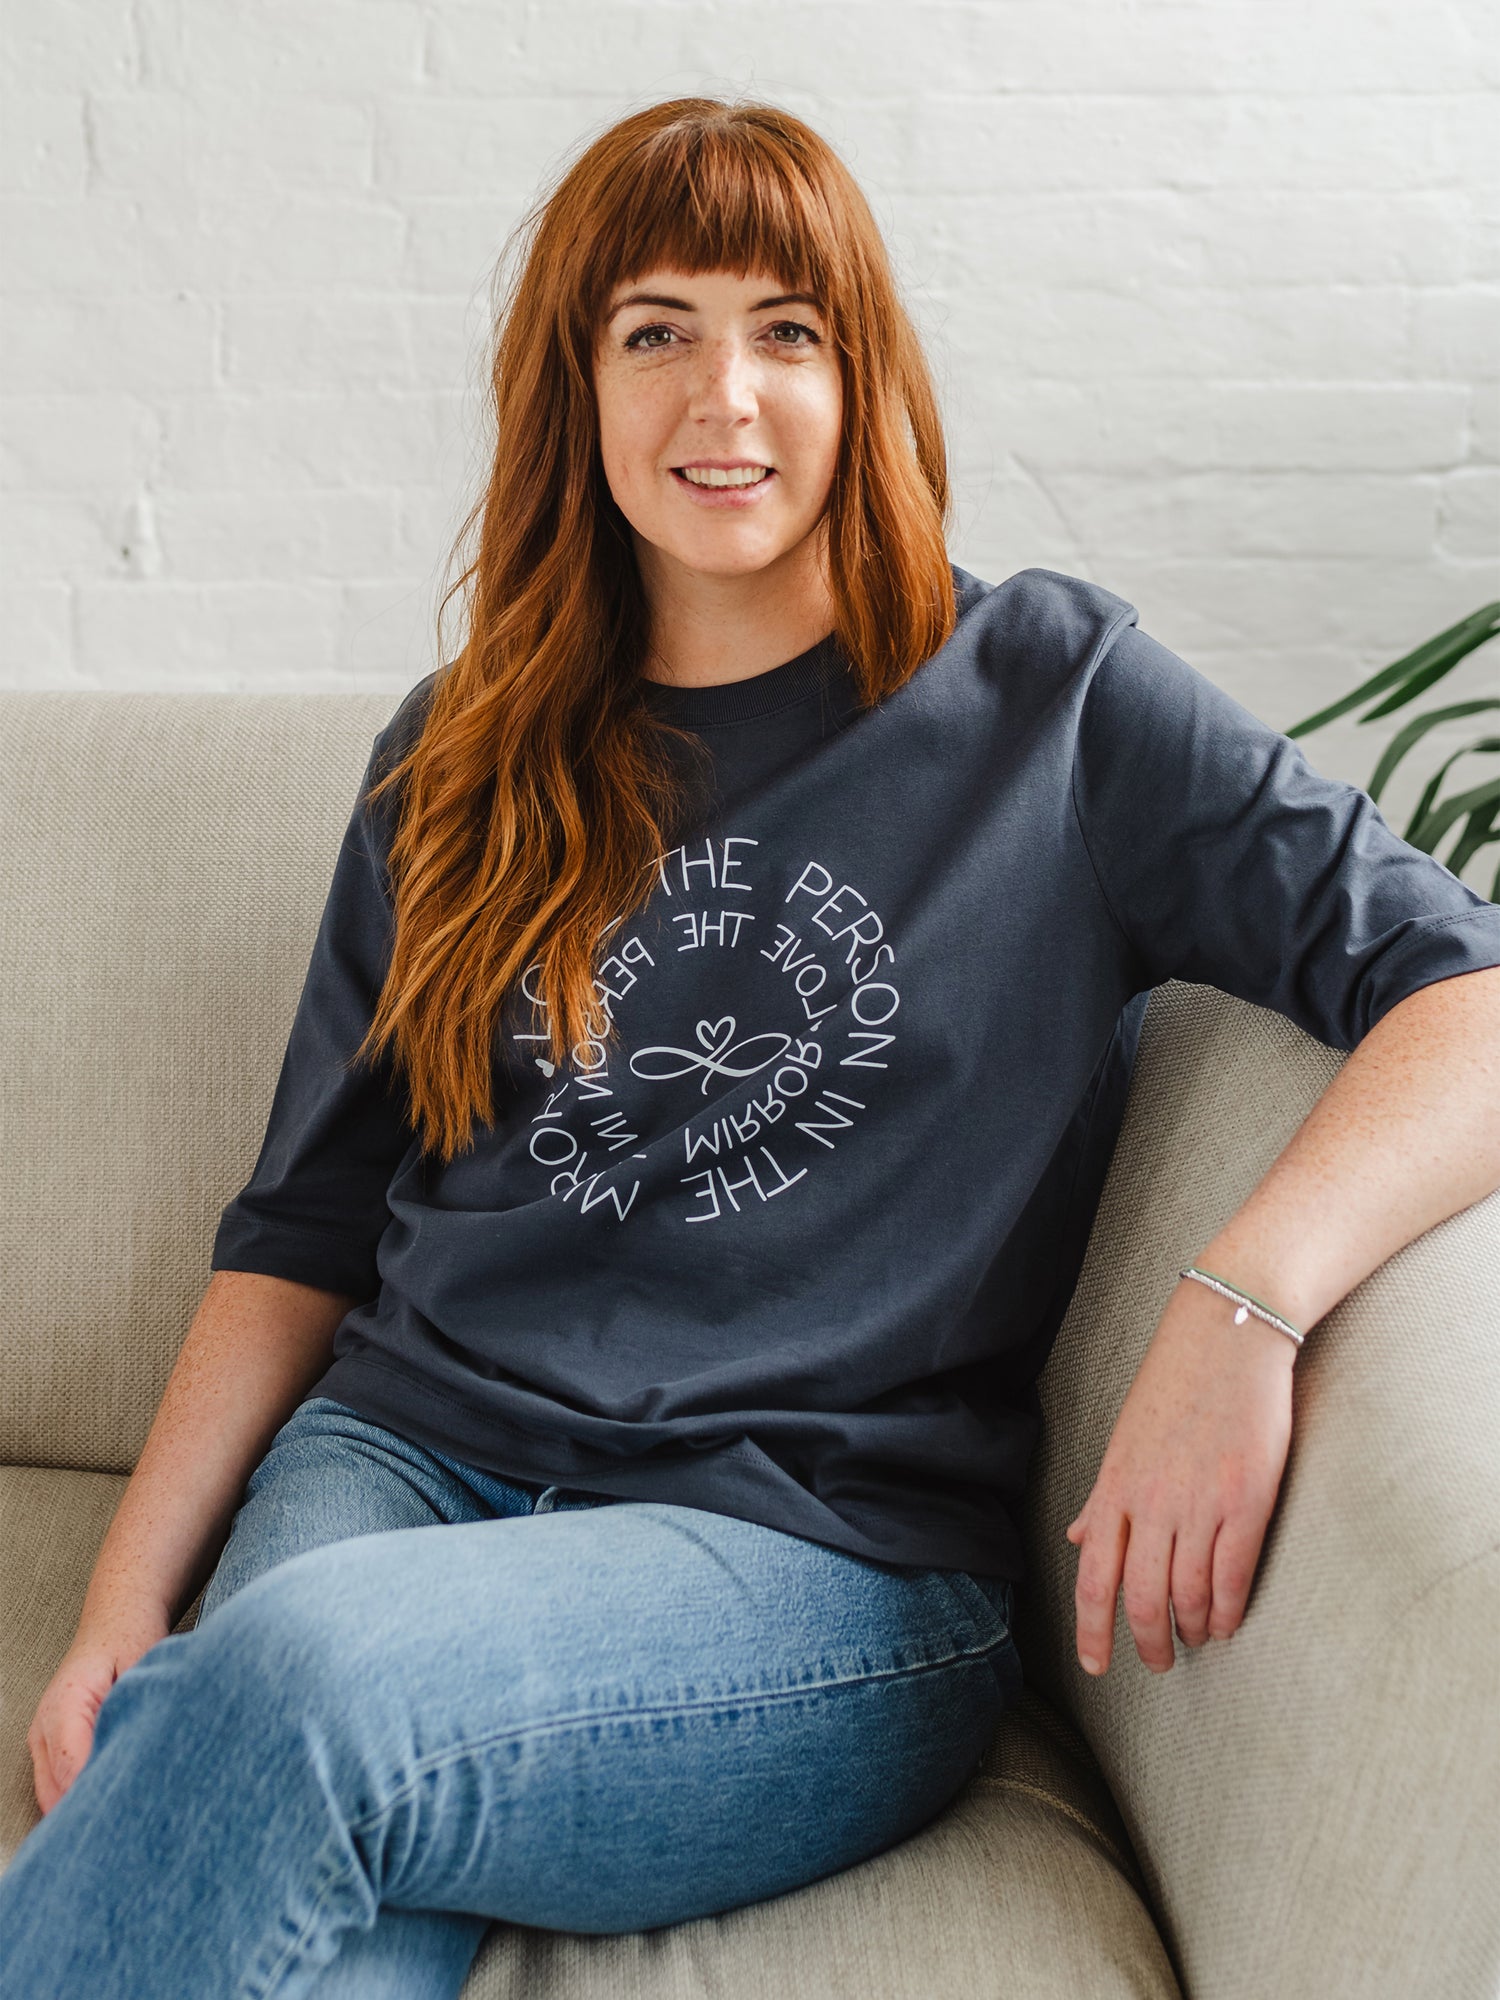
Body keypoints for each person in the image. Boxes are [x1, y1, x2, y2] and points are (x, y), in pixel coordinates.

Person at [6, 95, 1500, 2000]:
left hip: (809, 1561)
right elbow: (305, 1223)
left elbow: (1467, 987)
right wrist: (124, 1615)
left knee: (296, 1692)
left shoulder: (1048, 702)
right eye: (658, 330)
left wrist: (1247, 1297)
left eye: (787, 328)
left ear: (862, 371)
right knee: (305, 1848)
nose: (727, 393)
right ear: (579, 387)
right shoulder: (456, 753)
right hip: (403, 1457)